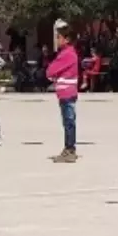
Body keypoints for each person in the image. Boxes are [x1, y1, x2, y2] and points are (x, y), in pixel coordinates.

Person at [46, 25, 80, 163]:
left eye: (59, 37)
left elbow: (50, 71)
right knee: (68, 121)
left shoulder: (67, 54)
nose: (57, 40)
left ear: (67, 39)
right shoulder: (68, 53)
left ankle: (69, 149)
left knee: (69, 122)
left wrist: (54, 75)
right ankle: (69, 149)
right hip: (65, 92)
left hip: (67, 93)